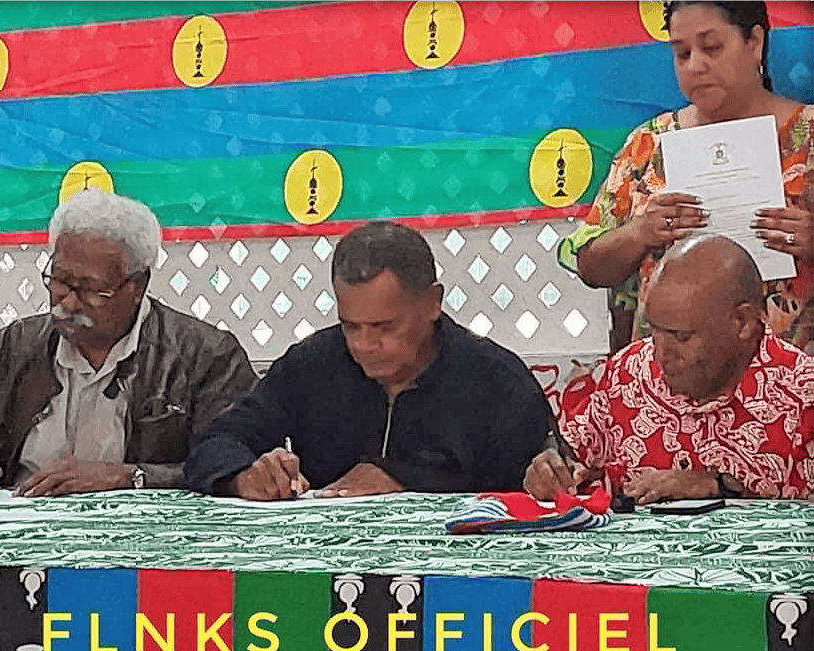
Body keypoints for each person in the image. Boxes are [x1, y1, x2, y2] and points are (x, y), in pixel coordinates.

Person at [0, 190, 257, 497]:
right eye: (60, 280)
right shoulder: (12, 349)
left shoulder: (206, 357)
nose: (69, 302)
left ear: (137, 286)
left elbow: (234, 462)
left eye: (91, 290)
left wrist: (131, 477)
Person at [186, 221, 551, 500]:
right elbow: (215, 441)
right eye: (350, 326)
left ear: (433, 303)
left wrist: (403, 480)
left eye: (385, 327)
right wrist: (244, 476)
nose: (364, 345)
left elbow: (523, 488)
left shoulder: (497, 381)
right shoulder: (312, 364)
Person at [557, 0, 814, 352]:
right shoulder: (650, 142)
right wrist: (640, 233)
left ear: (754, 43)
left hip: (792, 378)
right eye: (682, 53)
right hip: (667, 377)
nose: (695, 65)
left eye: (712, 47)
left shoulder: (808, 135)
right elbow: (591, 267)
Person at [525, 234, 814, 504]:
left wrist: (721, 489)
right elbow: (574, 458)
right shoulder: (629, 371)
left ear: (743, 323)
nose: (660, 354)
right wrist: (551, 471)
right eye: (654, 331)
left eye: (681, 336)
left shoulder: (802, 395)